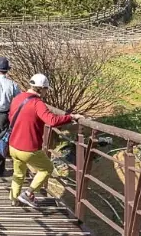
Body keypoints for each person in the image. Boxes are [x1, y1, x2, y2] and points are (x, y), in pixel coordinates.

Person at [8, 73, 84, 208]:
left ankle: (14, 199)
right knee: (47, 168)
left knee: (18, 173)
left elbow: (11, 117)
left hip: (14, 145)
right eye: (46, 90)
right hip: (29, 148)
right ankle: (28, 193)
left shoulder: (18, 98)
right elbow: (52, 120)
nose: (46, 92)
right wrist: (70, 117)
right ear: (42, 88)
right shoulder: (37, 103)